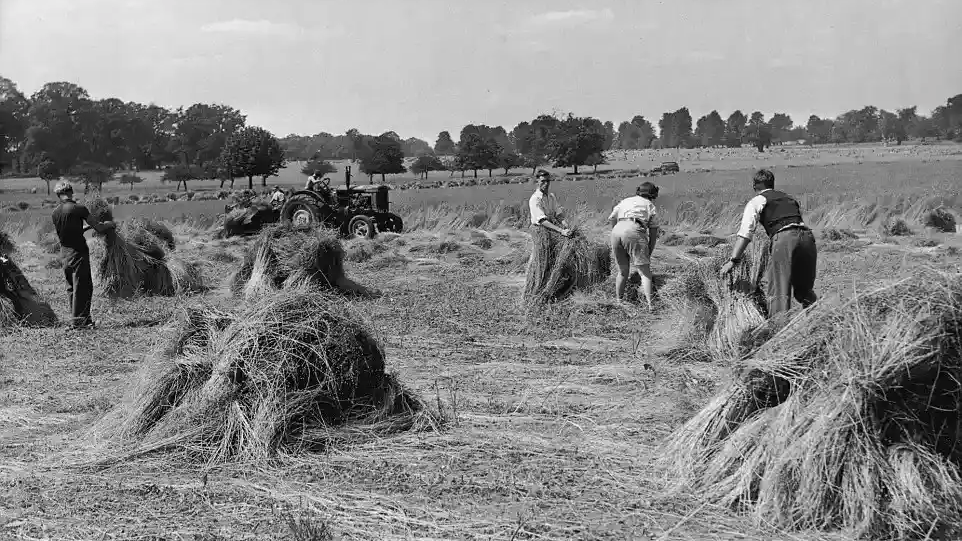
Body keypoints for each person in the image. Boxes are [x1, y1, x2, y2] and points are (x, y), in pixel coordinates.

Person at [720, 169, 817, 316]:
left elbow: (745, 234)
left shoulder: (757, 201)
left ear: (754, 187)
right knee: (804, 290)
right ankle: (819, 321)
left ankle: (779, 332)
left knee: (779, 291)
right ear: (772, 184)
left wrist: (733, 260)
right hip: (807, 238)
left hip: (785, 239)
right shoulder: (789, 198)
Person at [51, 180, 115, 329]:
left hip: (64, 254)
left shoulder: (55, 213)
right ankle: (80, 323)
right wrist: (109, 225)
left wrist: (85, 228)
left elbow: (71, 231)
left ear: (58, 195)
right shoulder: (79, 208)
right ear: (71, 192)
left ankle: (79, 320)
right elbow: (99, 228)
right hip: (78, 253)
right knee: (83, 287)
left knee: (72, 288)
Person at [607, 182, 660, 309]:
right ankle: (650, 305)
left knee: (622, 271)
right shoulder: (649, 205)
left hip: (617, 230)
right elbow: (653, 235)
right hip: (634, 229)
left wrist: (617, 231)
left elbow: (612, 218)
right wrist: (647, 255)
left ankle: (619, 301)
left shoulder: (625, 201)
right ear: (652, 194)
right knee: (645, 273)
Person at [528, 170, 572, 237]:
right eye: (543, 181)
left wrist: (566, 225)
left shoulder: (551, 197)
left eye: (548, 181)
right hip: (539, 231)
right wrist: (561, 230)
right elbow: (542, 221)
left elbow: (558, 214)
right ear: (537, 182)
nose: (546, 184)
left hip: (550, 229)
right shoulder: (535, 199)